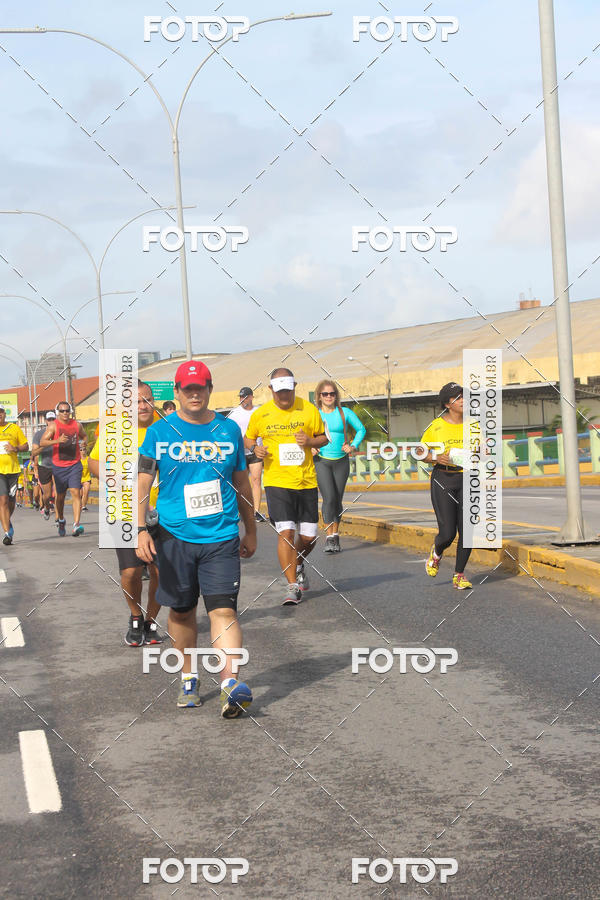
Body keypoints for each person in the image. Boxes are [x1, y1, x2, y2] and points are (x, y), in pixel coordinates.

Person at [136, 360, 256, 716]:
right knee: (182, 610)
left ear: (209, 389)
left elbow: (242, 481)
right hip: (174, 537)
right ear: (176, 392)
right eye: (187, 389)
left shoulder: (228, 429)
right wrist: (140, 529)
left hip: (221, 534)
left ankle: (229, 684)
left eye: (200, 388)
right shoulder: (159, 432)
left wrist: (250, 528)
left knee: (223, 609)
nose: (194, 394)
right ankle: (188, 676)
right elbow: (142, 482)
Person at [89, 381, 164, 647]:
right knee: (131, 572)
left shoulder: (166, 429)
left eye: (148, 400)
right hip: (125, 511)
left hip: (164, 511)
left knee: (159, 572)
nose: (143, 406)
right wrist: (111, 476)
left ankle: (151, 621)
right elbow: (94, 461)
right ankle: (135, 616)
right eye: (137, 402)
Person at [245, 368, 328, 605]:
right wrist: (255, 449)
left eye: (287, 391)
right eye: (279, 391)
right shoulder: (261, 414)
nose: (283, 396)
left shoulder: (308, 409)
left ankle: (298, 562)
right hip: (277, 482)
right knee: (286, 532)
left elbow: (324, 437)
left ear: (294, 387)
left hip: (306, 481)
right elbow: (248, 438)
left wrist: (310, 441)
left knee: (309, 537)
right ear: (271, 389)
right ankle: (292, 586)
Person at [421, 382, 472, 590]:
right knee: (448, 533)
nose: (463, 400)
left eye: (464, 396)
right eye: (458, 397)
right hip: (443, 480)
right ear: (447, 403)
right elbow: (420, 453)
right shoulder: (436, 426)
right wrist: (436, 457)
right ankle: (437, 552)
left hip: (468, 479)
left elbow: (484, 451)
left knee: (467, 532)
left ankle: (459, 575)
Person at [314, 380, 366, 552]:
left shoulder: (345, 413)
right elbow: (304, 434)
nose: (329, 397)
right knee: (328, 498)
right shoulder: (315, 414)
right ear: (319, 397)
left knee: (337, 499)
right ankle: (329, 537)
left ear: (336, 396)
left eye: (332, 393)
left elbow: (361, 429)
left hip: (341, 461)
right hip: (321, 461)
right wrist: (311, 447)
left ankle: (336, 535)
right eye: (325, 394)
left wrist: (353, 446)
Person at [40, 401, 87, 537]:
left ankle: (76, 525)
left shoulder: (77, 425)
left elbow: (84, 436)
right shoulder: (54, 426)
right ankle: (61, 520)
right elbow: (43, 442)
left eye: (67, 410)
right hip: (59, 467)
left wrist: (83, 443)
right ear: (57, 412)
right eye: (62, 411)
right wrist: (57, 441)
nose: (65, 413)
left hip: (74, 464)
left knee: (75, 492)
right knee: (60, 497)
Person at [228, 387, 265, 523]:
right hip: (240, 453)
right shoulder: (234, 413)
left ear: (251, 397)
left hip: (255, 451)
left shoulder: (258, 412)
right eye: (240, 397)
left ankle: (256, 512)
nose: (242, 400)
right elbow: (230, 431)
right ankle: (239, 511)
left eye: (245, 397)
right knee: (240, 483)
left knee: (256, 480)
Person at [0, 406, 28, 545]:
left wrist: (15, 448)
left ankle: (5, 519)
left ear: (4, 414)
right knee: (3, 500)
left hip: (13, 470)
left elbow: (26, 446)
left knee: (11, 503)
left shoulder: (14, 428)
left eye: (0, 412)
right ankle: (7, 534)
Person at [31, 411, 57, 521]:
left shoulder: (60, 433)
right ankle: (46, 507)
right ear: (46, 421)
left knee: (57, 493)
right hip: (44, 466)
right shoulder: (39, 434)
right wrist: (46, 443)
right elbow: (34, 453)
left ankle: (58, 518)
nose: (51, 422)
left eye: (53, 419)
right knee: (47, 495)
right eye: (49, 420)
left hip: (58, 465)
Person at [80, 446, 91, 511]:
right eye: (81, 450)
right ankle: (80, 504)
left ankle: (83, 506)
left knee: (86, 492)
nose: (83, 451)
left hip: (87, 478)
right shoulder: (77, 459)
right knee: (80, 494)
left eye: (84, 449)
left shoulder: (88, 459)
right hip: (79, 478)